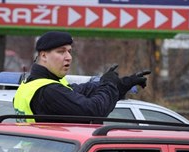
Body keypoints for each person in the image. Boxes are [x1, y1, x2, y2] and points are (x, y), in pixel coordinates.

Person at [13, 31, 150, 119]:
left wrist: (120, 85)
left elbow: (85, 90)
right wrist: (109, 84)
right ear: (43, 55)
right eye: (61, 52)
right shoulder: (49, 91)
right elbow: (93, 111)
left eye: (69, 51)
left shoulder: (32, 85)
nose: (68, 57)